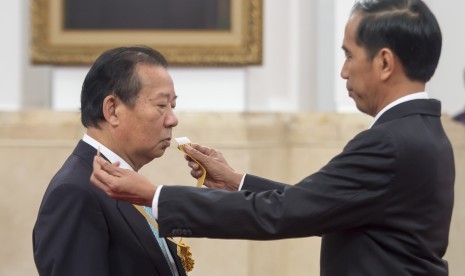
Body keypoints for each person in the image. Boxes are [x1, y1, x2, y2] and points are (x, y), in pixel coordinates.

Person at [90, 0, 455, 275]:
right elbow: (319, 203)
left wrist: (155, 196)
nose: (343, 71)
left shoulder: (389, 143)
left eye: (349, 55)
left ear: (385, 63)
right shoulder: (422, 131)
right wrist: (237, 182)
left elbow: (285, 212)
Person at [33, 46, 187, 276]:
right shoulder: (75, 192)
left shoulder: (125, 181)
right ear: (112, 110)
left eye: (172, 106)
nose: (172, 120)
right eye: (161, 106)